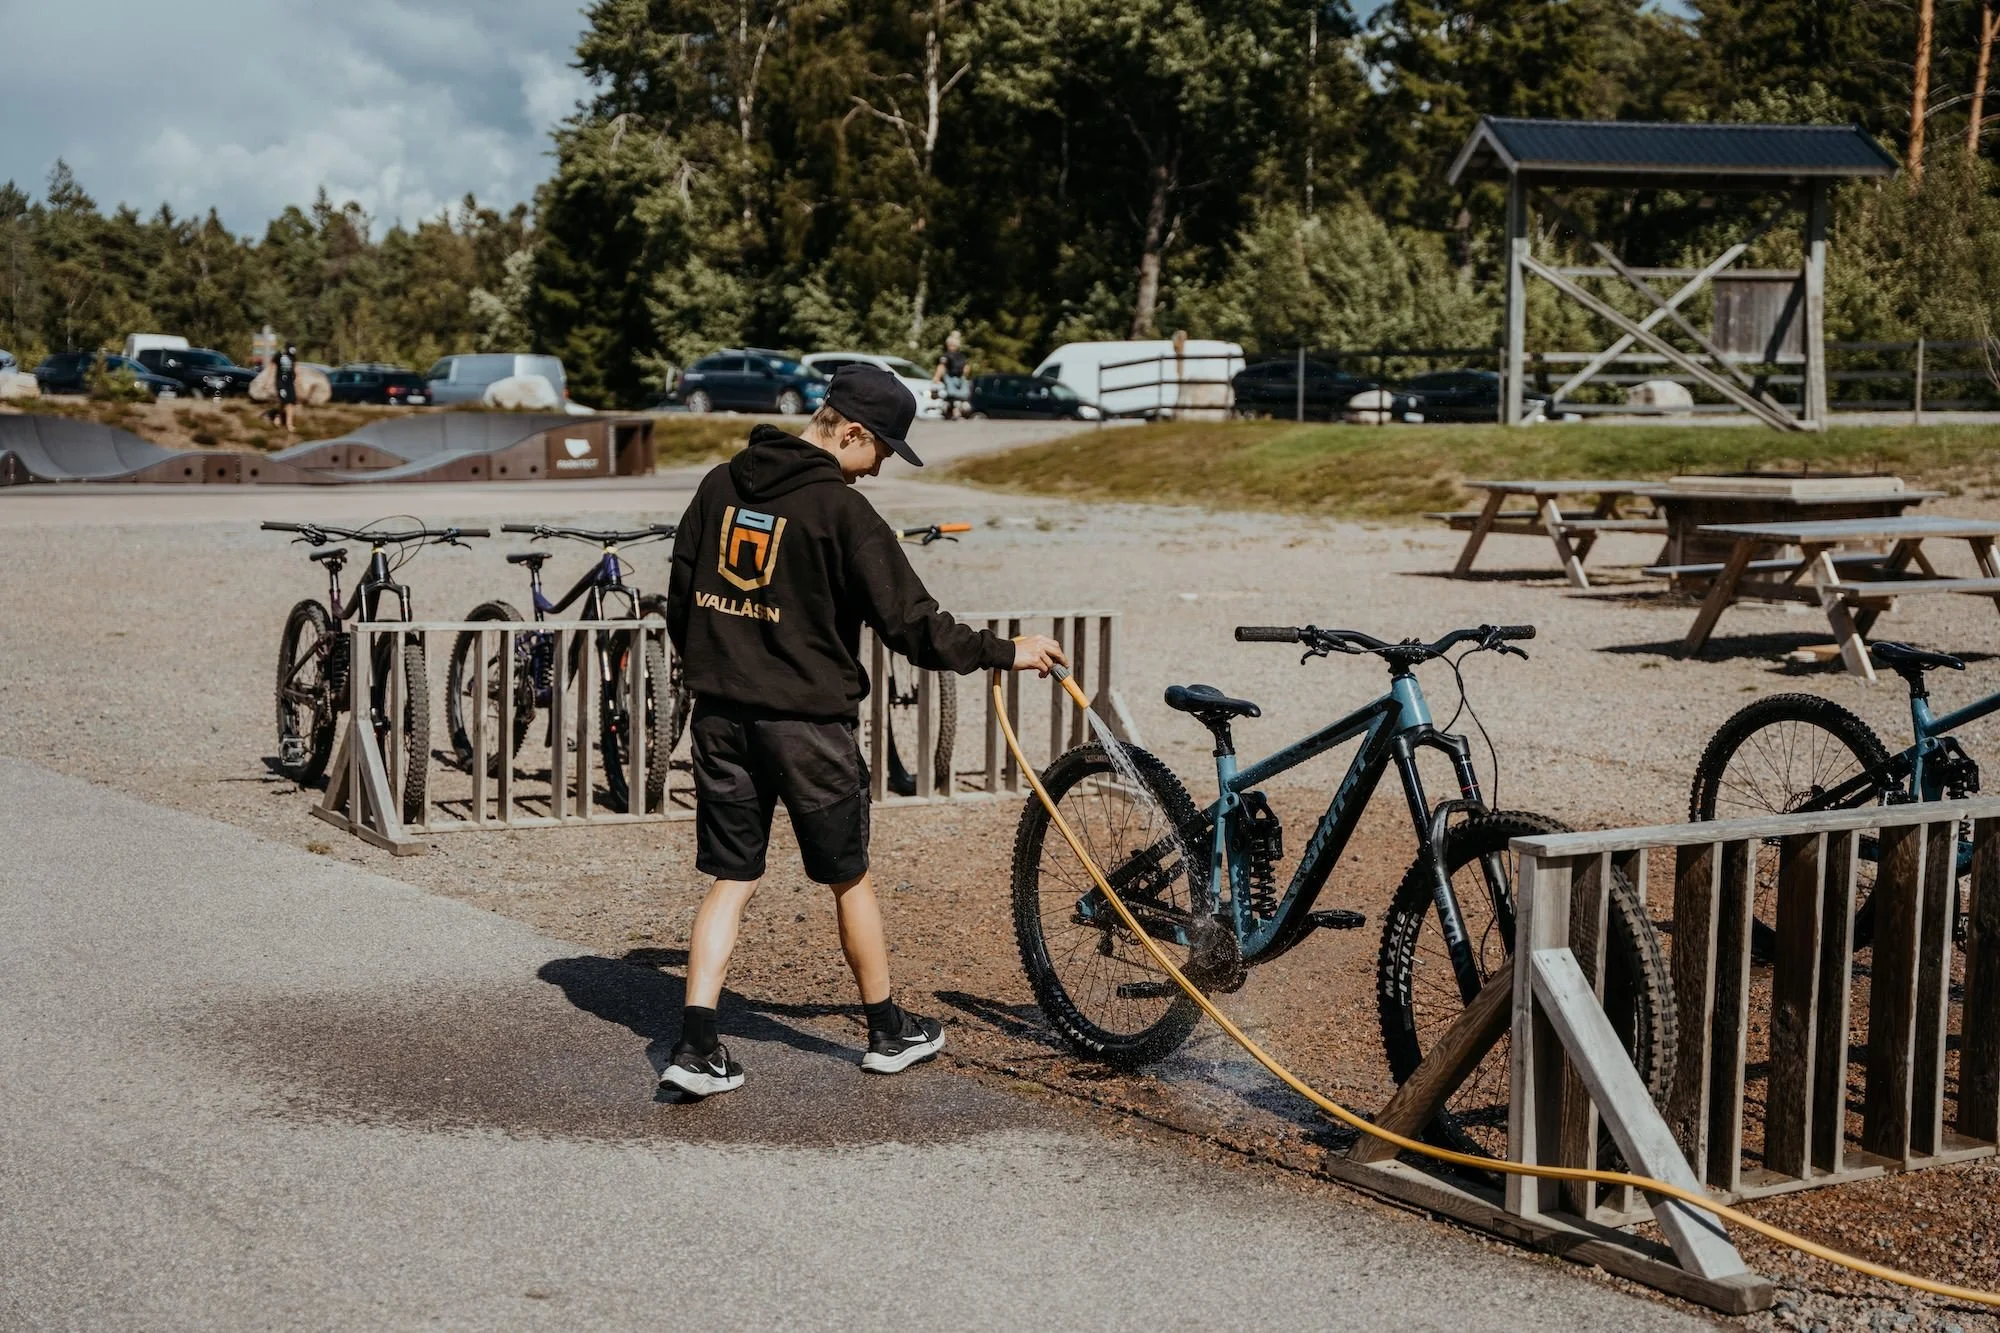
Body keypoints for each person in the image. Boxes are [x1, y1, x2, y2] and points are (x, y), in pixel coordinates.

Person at [661, 364, 1065, 1097]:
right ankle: (886, 1031)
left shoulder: (719, 485)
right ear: (849, 430)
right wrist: (1009, 652)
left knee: (733, 878)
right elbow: (916, 626)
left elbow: (680, 595)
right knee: (848, 877)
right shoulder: (842, 514)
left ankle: (695, 1048)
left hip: (720, 719)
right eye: (879, 449)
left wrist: (714, 668)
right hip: (810, 729)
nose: (877, 468)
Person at [931, 330, 970, 420]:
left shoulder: (960, 355)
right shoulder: (947, 356)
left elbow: (966, 367)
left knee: (959, 396)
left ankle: (955, 410)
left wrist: (964, 377)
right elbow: (941, 366)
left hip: (959, 378)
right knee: (953, 395)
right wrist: (937, 377)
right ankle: (953, 410)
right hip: (951, 378)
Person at [273, 342, 299, 432]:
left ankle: (280, 419)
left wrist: (296, 379)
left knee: (290, 403)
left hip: (290, 383)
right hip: (281, 382)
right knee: (286, 403)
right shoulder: (279, 356)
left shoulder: (293, 357)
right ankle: (288, 424)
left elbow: (295, 369)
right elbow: (272, 366)